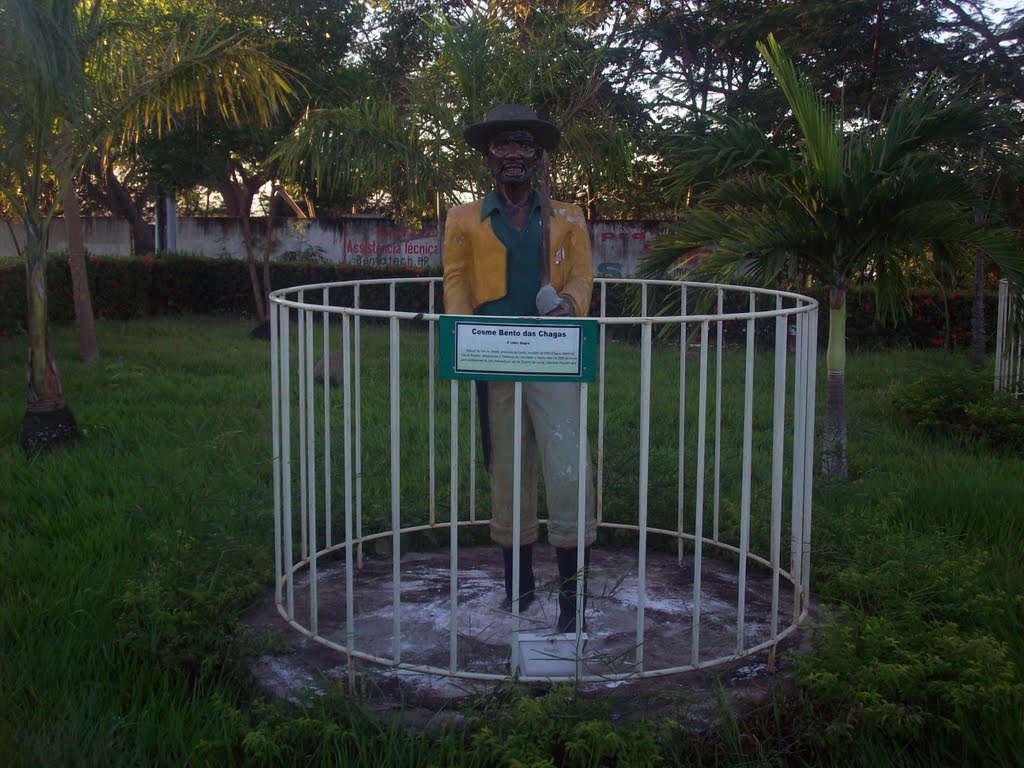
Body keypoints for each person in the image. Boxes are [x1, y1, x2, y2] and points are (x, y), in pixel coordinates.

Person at [442, 104, 596, 633]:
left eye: (524, 146)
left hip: (552, 354)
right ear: (488, 157)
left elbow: (581, 278)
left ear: (539, 157)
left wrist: (569, 306)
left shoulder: (568, 217)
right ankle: (519, 589)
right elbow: (456, 279)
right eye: (503, 146)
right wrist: (467, 337)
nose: (514, 156)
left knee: (567, 468)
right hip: (495, 358)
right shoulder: (464, 217)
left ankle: (573, 601)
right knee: (507, 471)